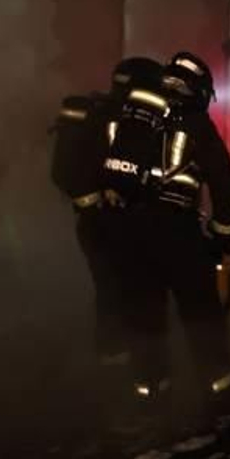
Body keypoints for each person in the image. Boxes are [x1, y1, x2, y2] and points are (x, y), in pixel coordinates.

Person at [119, 50, 230, 401]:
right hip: (177, 231)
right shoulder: (198, 124)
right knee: (200, 307)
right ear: (200, 89)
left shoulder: (136, 115)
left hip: (132, 229)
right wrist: (222, 239)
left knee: (145, 309)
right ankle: (217, 384)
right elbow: (223, 188)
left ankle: (149, 387)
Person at [50, 56, 161, 367]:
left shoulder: (125, 118)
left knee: (124, 285)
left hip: (120, 219)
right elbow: (65, 173)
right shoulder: (110, 119)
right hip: (105, 222)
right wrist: (96, 206)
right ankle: (119, 355)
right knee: (114, 285)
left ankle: (128, 352)